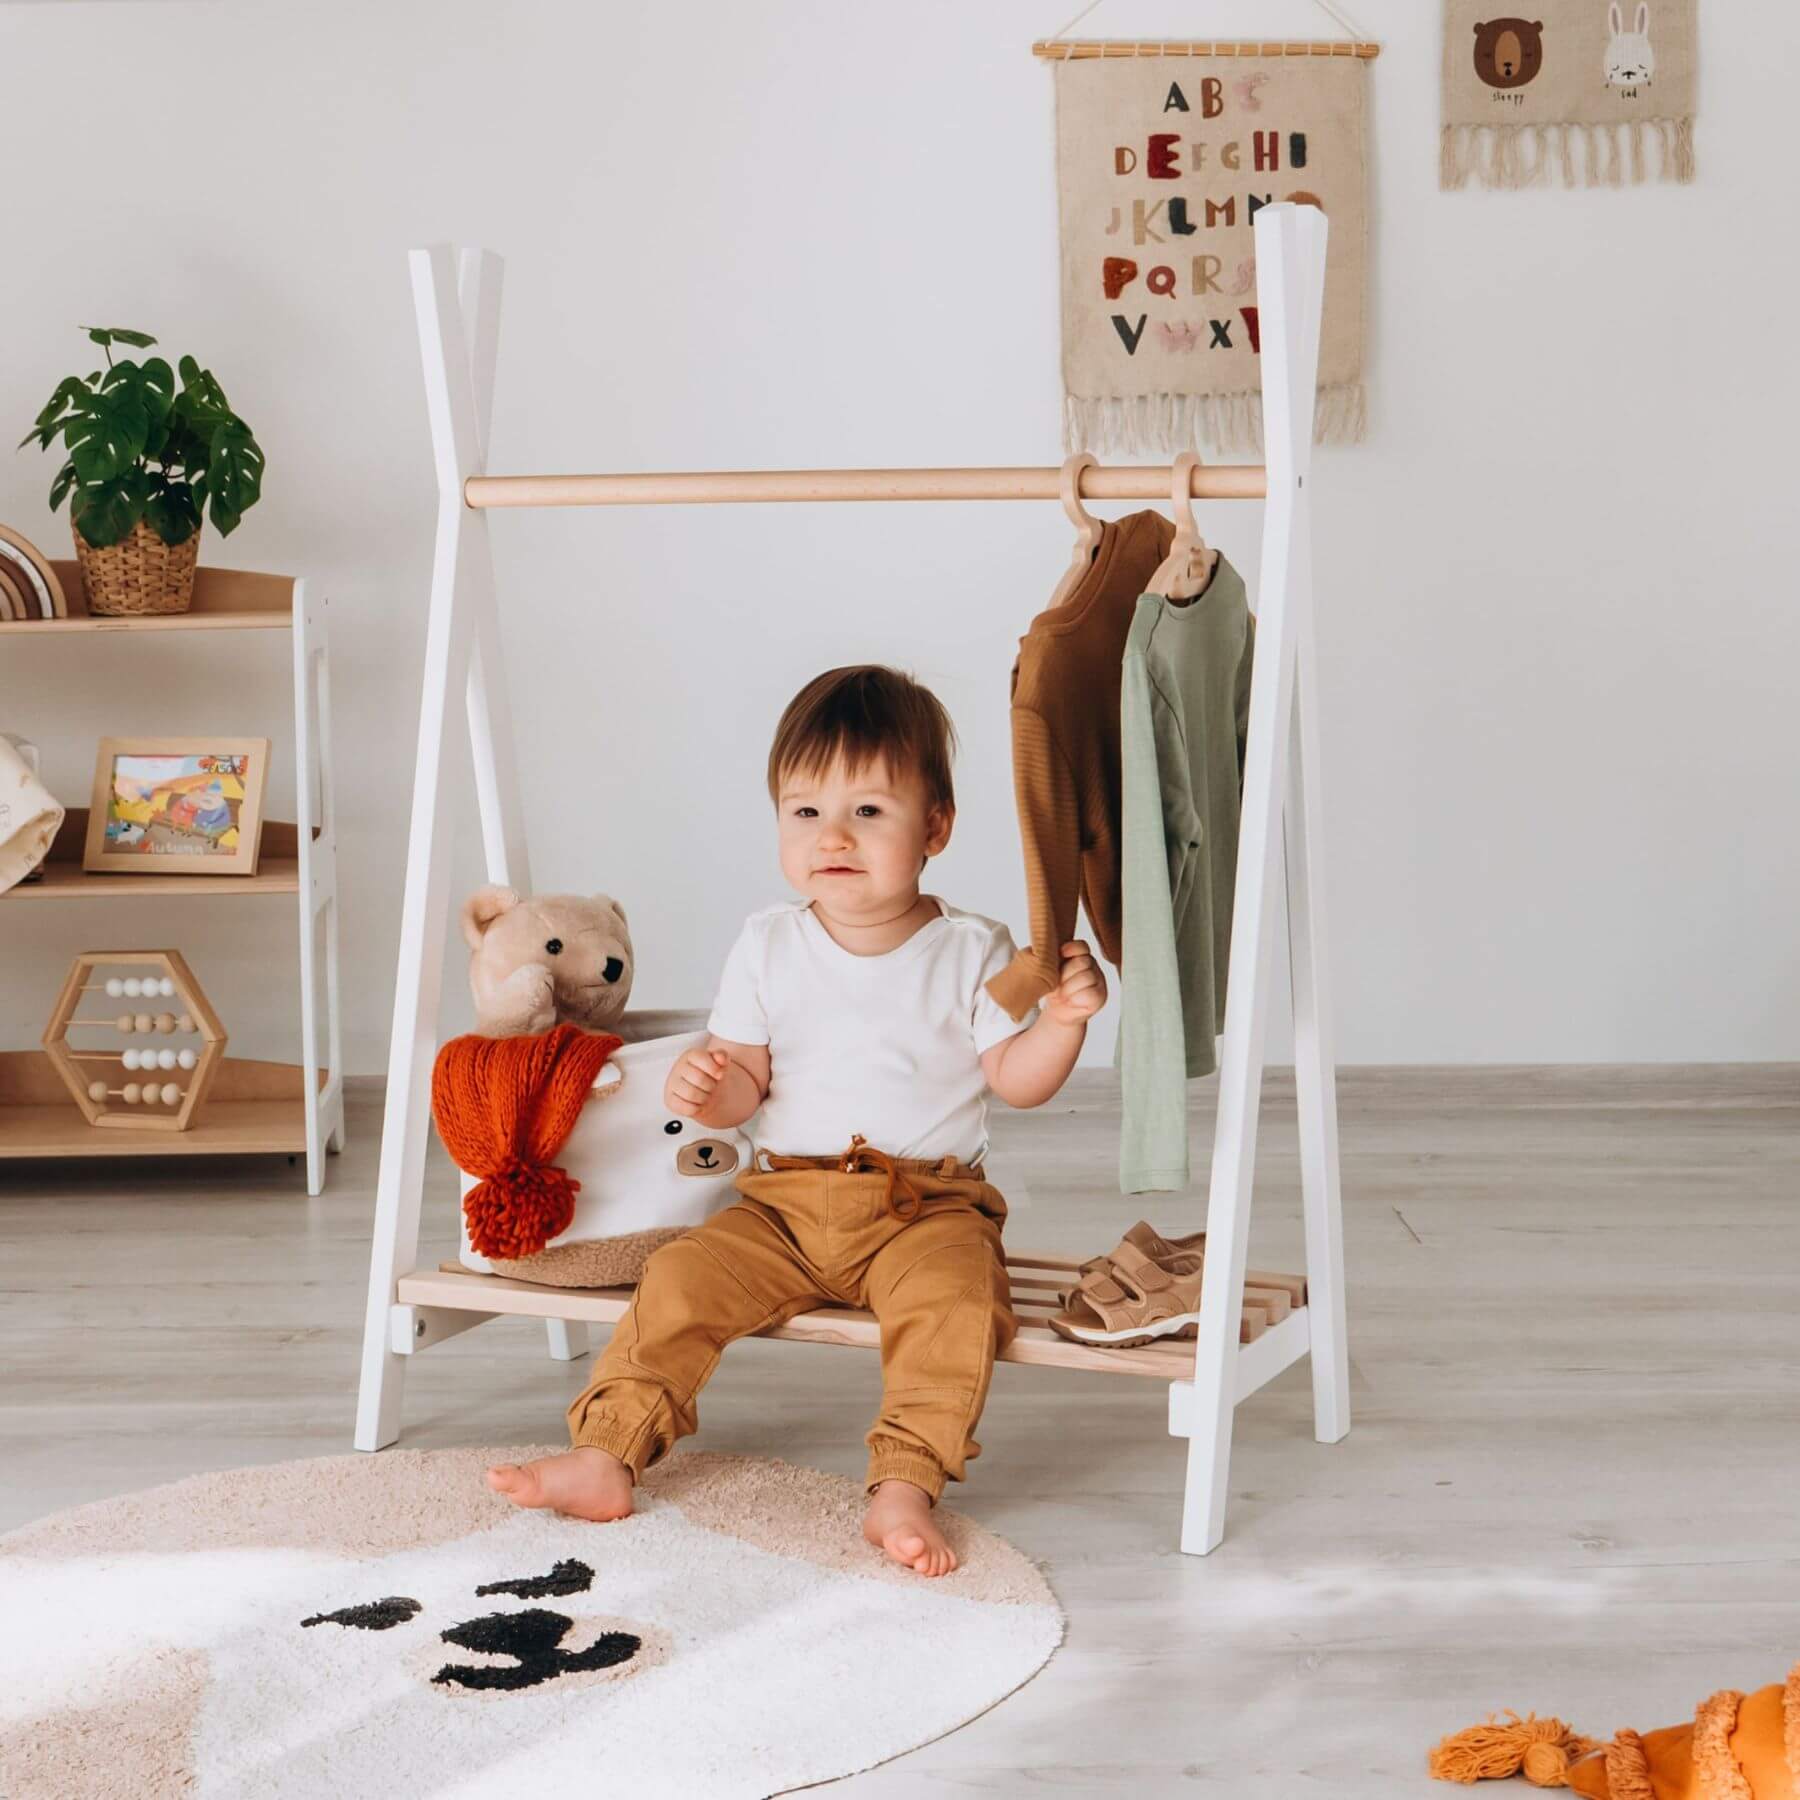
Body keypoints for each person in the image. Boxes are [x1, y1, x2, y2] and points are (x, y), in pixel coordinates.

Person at [488, 665, 1105, 1575]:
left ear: (934, 827)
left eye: (868, 812)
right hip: (781, 1203)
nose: (833, 837)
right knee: (682, 1278)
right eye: (805, 811)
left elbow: (1014, 1081)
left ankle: (903, 1482)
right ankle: (607, 1452)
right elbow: (747, 1083)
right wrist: (707, 1089)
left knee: (959, 1308)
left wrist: (1060, 1023)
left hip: (925, 1209)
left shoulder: (974, 949)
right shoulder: (769, 944)